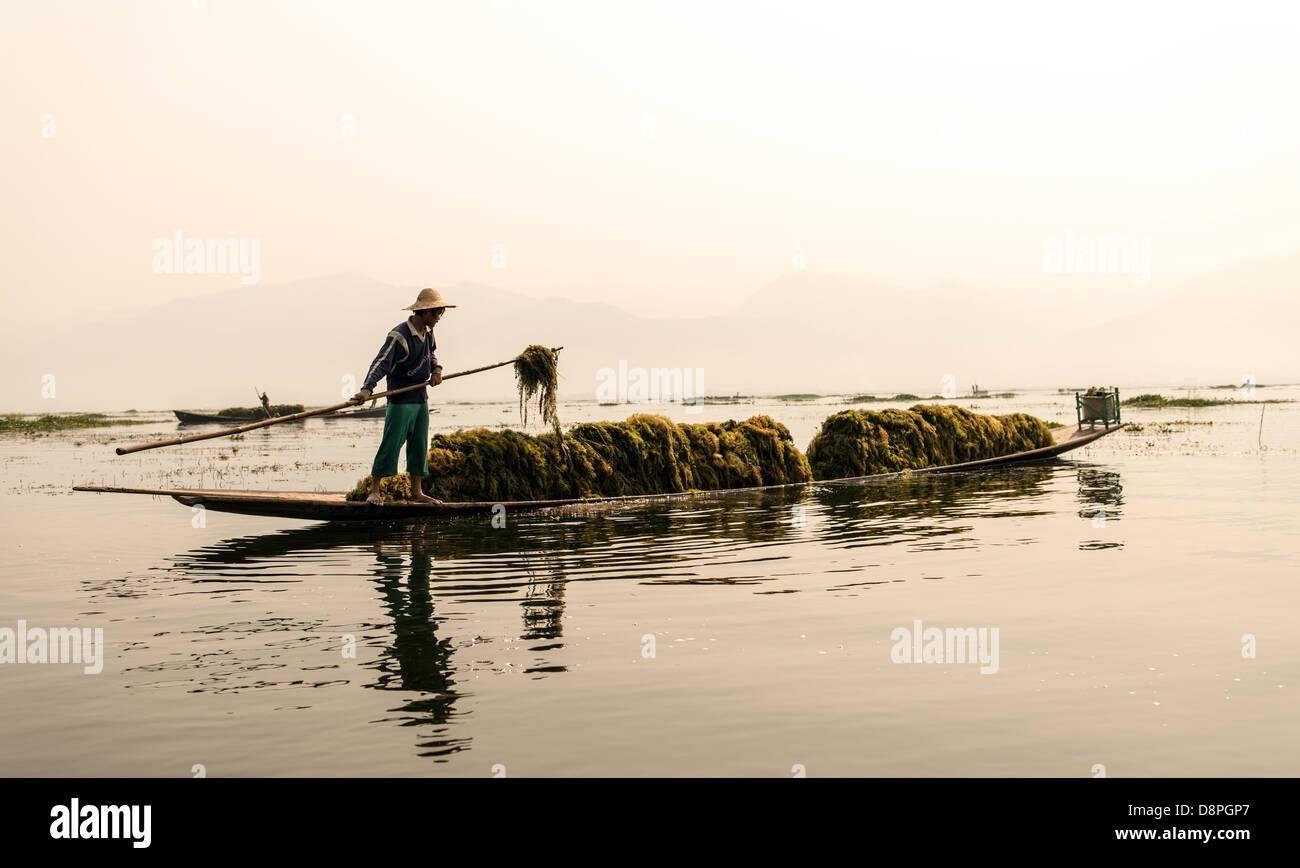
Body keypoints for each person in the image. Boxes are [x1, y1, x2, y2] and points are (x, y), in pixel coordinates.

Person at [350, 288, 455, 505]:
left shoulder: (428, 332)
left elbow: (431, 355)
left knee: (418, 445)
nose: (438, 319)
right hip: (400, 400)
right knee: (391, 443)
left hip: (420, 399)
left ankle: (417, 492)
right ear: (425, 312)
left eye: (440, 314)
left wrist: (437, 370)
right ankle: (374, 490)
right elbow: (380, 363)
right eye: (436, 314)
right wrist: (366, 390)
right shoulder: (399, 336)